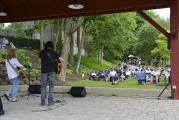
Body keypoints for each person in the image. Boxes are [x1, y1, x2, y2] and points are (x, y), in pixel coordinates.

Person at [39, 41, 63, 106]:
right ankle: (50, 102)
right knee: (51, 87)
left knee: (43, 87)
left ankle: (42, 102)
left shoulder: (41, 52)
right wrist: (56, 62)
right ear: (52, 46)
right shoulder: (54, 52)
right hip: (52, 71)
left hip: (44, 71)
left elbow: (39, 61)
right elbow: (62, 60)